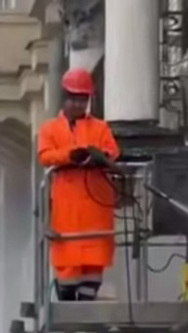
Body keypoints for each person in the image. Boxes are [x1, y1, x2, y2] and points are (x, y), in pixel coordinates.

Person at [36, 67, 120, 302]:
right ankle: (67, 301)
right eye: (73, 99)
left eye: (82, 100)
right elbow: (45, 156)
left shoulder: (100, 128)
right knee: (67, 268)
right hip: (67, 212)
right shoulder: (49, 129)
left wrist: (97, 156)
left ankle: (85, 301)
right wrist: (70, 156)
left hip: (96, 211)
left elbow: (112, 152)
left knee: (93, 266)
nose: (78, 105)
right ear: (64, 98)